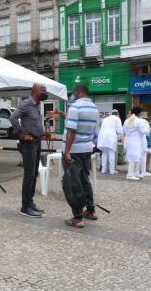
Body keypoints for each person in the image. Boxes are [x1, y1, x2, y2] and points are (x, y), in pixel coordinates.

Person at [52, 84, 99, 228]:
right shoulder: (94, 108)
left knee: (73, 183)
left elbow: (72, 131)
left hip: (74, 150)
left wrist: (67, 151)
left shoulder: (75, 107)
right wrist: (62, 114)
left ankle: (77, 217)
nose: (72, 95)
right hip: (86, 149)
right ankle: (91, 210)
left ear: (78, 92)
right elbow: (78, 123)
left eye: (73, 92)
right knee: (85, 180)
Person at [9, 83, 48, 218]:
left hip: (37, 142)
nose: (45, 92)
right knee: (29, 175)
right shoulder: (26, 104)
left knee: (34, 174)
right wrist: (21, 133)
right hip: (29, 144)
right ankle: (25, 206)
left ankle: (30, 203)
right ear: (35, 91)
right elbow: (13, 117)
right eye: (43, 90)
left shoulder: (37, 105)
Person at [123, 107, 150, 180]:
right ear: (139, 113)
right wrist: (148, 128)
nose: (142, 113)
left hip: (129, 140)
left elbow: (124, 130)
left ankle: (135, 173)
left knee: (134, 157)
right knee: (134, 157)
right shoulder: (138, 121)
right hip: (136, 142)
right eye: (141, 112)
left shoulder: (127, 120)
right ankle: (130, 174)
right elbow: (145, 131)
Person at [97, 110, 123, 174]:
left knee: (104, 153)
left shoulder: (105, 119)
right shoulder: (117, 118)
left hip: (102, 138)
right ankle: (112, 170)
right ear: (118, 114)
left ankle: (103, 170)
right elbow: (120, 131)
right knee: (111, 152)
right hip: (110, 137)